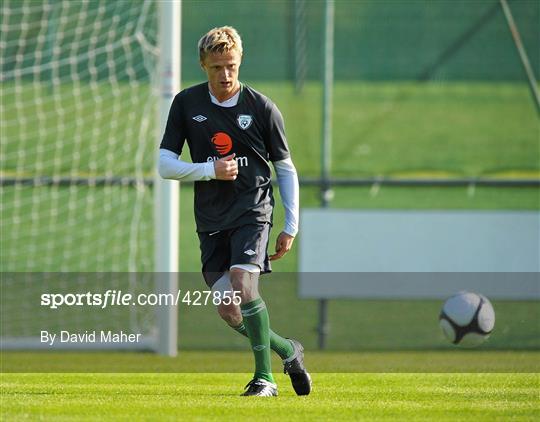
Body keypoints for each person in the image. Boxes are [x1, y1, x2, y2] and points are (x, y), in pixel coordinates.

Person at [158, 26, 311, 397]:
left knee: (244, 284)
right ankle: (288, 351)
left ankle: (265, 380)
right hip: (210, 219)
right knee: (229, 309)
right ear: (202, 65)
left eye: (230, 66)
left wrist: (290, 225)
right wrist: (209, 170)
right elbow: (165, 164)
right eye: (216, 68)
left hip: (252, 210)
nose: (225, 75)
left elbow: (285, 168)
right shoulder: (186, 104)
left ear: (239, 62)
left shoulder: (261, 107)